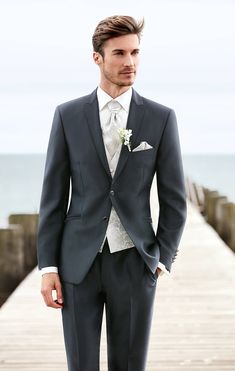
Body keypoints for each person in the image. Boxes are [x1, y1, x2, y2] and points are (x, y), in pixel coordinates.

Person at [37, 15, 187, 371]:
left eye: (135, 52)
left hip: (135, 262)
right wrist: (48, 266)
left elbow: (174, 198)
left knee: (130, 365)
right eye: (119, 53)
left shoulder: (161, 118)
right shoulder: (68, 115)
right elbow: (53, 198)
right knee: (81, 364)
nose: (129, 62)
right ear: (97, 58)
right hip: (77, 264)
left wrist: (161, 258)